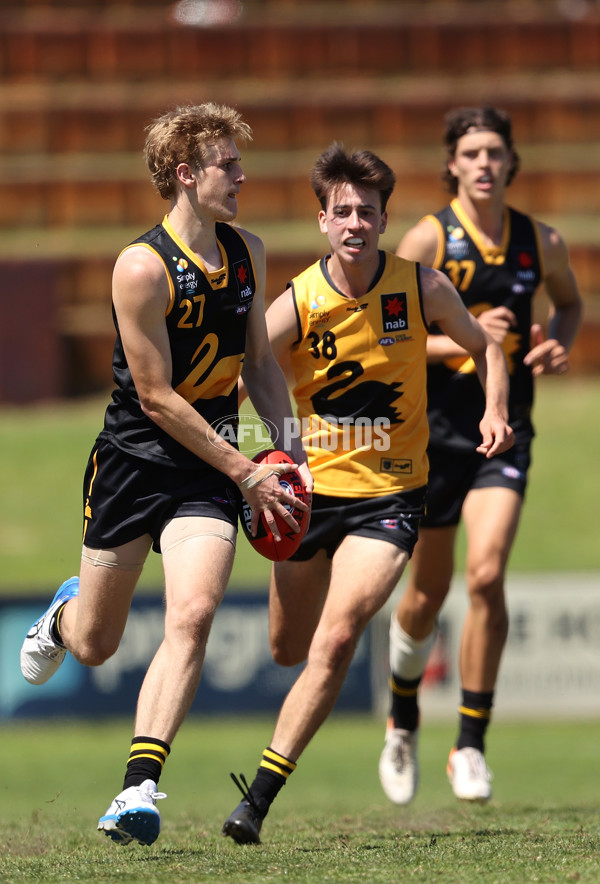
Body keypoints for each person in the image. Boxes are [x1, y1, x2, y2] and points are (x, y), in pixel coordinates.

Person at [19, 102, 311, 847]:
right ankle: (64, 615)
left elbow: (260, 365)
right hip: (131, 466)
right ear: (185, 174)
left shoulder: (248, 251)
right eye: (227, 165)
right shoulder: (141, 268)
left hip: (206, 474)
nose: (242, 176)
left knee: (195, 613)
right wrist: (248, 468)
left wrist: (290, 451)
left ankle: (135, 790)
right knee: (95, 645)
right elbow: (154, 397)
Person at [221, 142, 514, 846]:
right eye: (342, 211)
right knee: (289, 649)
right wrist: (265, 454)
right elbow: (244, 373)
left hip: (389, 497)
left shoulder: (419, 286)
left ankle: (257, 801)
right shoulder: (299, 300)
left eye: (368, 212)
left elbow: (488, 345)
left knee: (340, 632)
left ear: (384, 220)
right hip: (308, 497)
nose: (355, 222)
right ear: (323, 220)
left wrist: (495, 408)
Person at [378, 105, 582, 807]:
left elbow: (571, 304)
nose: (485, 162)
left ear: (511, 159)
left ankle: (469, 744)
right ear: (453, 164)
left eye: (496, 150)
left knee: (488, 573)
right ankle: (402, 716)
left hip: (506, 432)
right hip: (432, 438)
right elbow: (381, 338)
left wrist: (558, 338)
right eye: (472, 152)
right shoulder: (428, 240)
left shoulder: (541, 240)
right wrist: (470, 339)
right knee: (426, 598)